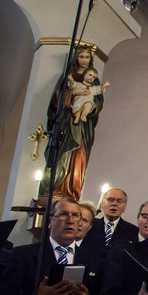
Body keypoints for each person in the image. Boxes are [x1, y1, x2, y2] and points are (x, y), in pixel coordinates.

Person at [41, 47, 104, 202]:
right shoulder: (69, 77)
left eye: (87, 57)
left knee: (79, 156)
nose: (84, 60)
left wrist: (91, 107)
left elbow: (98, 102)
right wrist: (74, 93)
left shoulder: (94, 80)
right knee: (62, 155)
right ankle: (54, 190)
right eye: (81, 56)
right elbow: (57, 99)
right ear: (76, 58)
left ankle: (73, 194)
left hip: (82, 127)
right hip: (66, 123)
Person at [85, 187, 137, 253]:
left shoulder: (133, 231)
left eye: (119, 201)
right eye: (110, 200)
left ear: (124, 206)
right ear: (102, 203)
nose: (114, 204)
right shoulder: (89, 224)